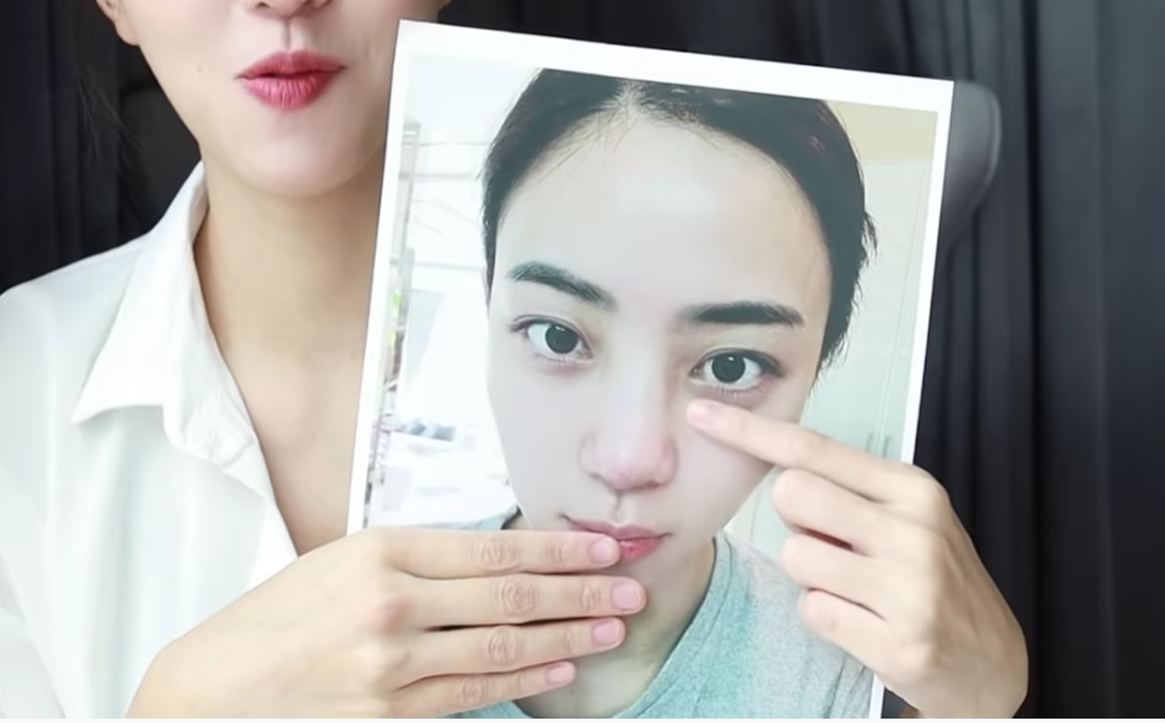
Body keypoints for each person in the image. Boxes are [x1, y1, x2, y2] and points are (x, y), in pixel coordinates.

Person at [0, 0, 1028, 719]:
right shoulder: (20, 392)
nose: (282, 1)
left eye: (728, 365)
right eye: (560, 337)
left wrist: (979, 704)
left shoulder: (812, 637)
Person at [462, 70, 880, 718]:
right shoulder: (347, 623)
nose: (627, 460)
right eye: (558, 336)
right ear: (489, 304)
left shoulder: (843, 680)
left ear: (816, 370)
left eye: (732, 367)